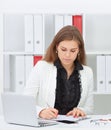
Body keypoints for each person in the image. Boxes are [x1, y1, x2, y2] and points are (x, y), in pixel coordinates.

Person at [24, 25, 94, 119]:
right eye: (63, 49)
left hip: (75, 126)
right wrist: (40, 112)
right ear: (56, 47)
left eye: (73, 51)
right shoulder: (41, 67)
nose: (67, 55)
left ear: (79, 50)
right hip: (48, 124)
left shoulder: (88, 72)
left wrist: (81, 110)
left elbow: (89, 108)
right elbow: (25, 101)